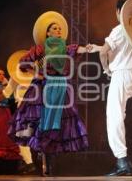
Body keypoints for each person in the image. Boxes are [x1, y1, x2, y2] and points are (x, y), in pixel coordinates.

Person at [7, 11, 98, 176]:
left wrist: (93, 48)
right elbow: (23, 63)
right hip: (44, 87)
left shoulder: (66, 48)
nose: (58, 30)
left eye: (59, 28)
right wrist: (36, 72)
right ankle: (42, 157)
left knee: (59, 124)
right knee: (42, 122)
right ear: (47, 32)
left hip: (61, 87)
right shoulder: (41, 48)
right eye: (54, 28)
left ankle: (47, 159)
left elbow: (81, 49)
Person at [89, 0, 132, 176]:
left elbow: (106, 51)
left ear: (119, 11)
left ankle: (122, 161)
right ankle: (123, 161)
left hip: (122, 74)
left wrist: (106, 69)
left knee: (113, 116)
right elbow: (117, 50)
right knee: (119, 113)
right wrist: (98, 47)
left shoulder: (119, 29)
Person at [2, 78, 36, 174]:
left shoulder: (15, 76)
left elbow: (6, 93)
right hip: (38, 106)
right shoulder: (37, 74)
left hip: (24, 107)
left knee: (22, 136)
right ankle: (43, 164)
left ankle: (29, 163)